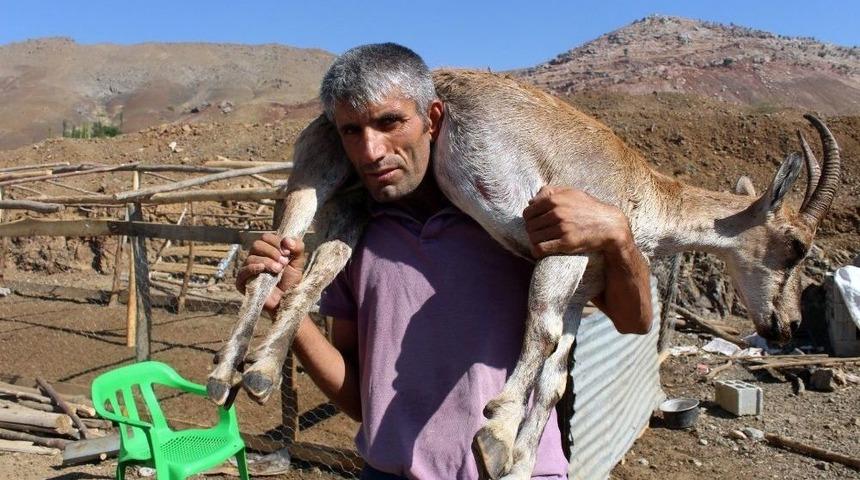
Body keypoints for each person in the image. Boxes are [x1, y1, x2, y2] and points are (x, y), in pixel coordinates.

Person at [236, 43, 652, 480]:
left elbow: (634, 321)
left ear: (431, 120)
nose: (371, 151)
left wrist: (620, 239)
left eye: (389, 122)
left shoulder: (514, 218)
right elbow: (359, 399)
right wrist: (287, 309)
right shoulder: (354, 239)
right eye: (351, 131)